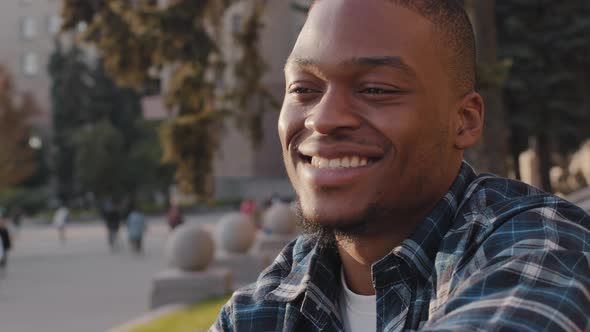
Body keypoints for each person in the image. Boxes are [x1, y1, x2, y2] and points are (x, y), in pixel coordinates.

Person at [211, 1, 590, 331]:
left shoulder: (544, 248)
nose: (322, 119)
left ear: (465, 120)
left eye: (375, 89)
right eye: (303, 89)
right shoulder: (259, 310)